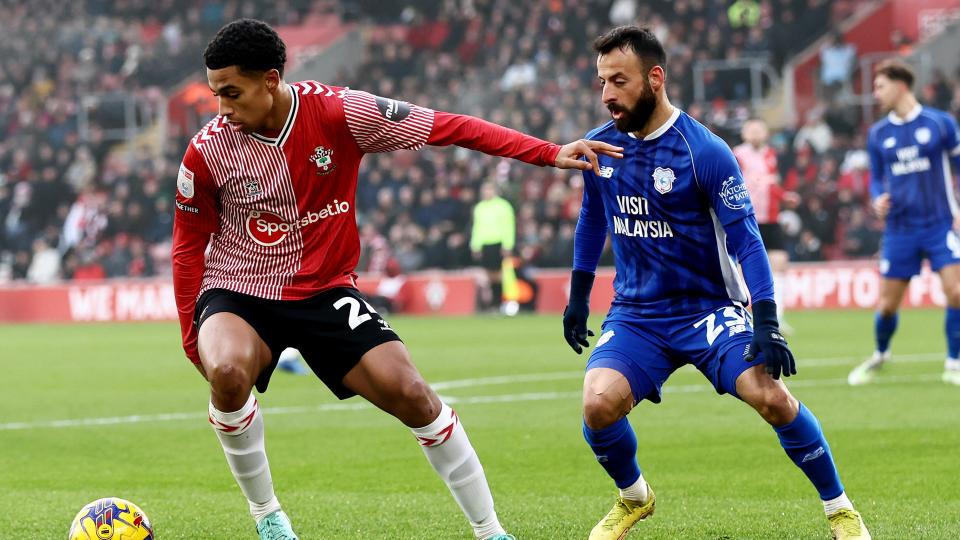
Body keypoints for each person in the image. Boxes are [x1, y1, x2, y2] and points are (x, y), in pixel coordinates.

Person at [172, 19, 623, 540]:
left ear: (271, 79)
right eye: (215, 95)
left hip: (325, 290)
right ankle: (268, 519)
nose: (222, 108)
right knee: (227, 373)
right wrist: (191, 336)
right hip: (240, 290)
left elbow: (449, 127)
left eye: (231, 93)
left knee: (413, 394)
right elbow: (187, 247)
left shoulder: (342, 112)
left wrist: (545, 152)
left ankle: (491, 532)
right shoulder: (206, 151)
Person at [561, 26, 870, 540]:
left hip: (708, 310)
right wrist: (577, 297)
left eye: (619, 80)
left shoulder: (704, 151)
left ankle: (840, 508)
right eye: (601, 82)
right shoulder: (602, 147)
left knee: (769, 396)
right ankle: (634, 497)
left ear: (655, 79)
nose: (607, 94)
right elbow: (592, 220)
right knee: (597, 404)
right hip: (638, 314)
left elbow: (747, 240)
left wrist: (767, 320)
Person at [848, 59, 960, 387]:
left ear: (901, 85)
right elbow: (876, 180)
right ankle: (881, 354)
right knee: (887, 305)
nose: (876, 93)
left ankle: (954, 361)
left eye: (880, 86)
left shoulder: (940, 123)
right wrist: (877, 198)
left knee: (956, 292)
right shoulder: (878, 133)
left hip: (939, 224)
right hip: (899, 229)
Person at [734, 117, 798, 333]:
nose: (755, 133)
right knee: (742, 267)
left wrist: (784, 196)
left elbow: (771, 184)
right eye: (751, 129)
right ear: (744, 133)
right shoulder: (737, 155)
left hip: (770, 218)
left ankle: (778, 316)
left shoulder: (771, 154)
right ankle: (740, 314)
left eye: (759, 129)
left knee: (780, 263)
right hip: (746, 218)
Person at [470, 182, 517, 314]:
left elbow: (509, 226)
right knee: (488, 275)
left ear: (495, 191)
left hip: (498, 244)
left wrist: (507, 245)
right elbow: (477, 228)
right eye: (485, 190)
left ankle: (499, 303)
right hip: (485, 244)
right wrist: (475, 245)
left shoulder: (503, 206)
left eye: (489, 189)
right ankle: (491, 305)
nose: (487, 192)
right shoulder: (479, 207)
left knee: (499, 275)